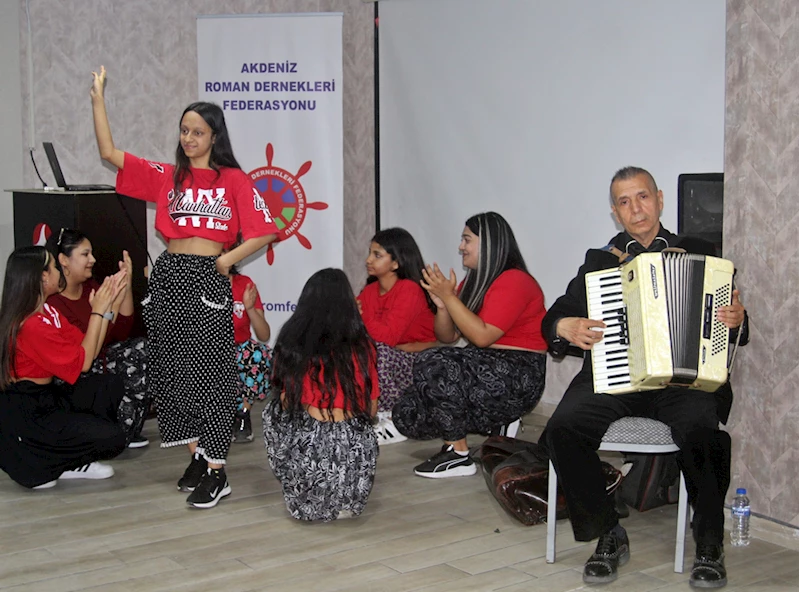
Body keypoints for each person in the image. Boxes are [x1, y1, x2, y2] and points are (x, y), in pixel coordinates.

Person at [538, 166, 748, 588]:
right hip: (617, 377)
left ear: (660, 200)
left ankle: (709, 544)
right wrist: (563, 326)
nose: (635, 209)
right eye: (624, 202)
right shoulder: (599, 261)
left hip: (680, 382)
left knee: (704, 433)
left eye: (643, 197)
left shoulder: (700, 251)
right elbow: (555, 316)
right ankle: (608, 533)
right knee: (562, 429)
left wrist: (737, 319)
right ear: (615, 212)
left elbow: (733, 326)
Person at [91, 65, 278, 509]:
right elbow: (109, 152)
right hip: (170, 274)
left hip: (208, 275)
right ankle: (197, 454)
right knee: (173, 372)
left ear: (214, 136)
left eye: (197, 132)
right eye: (184, 131)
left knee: (211, 374)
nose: (188, 138)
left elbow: (266, 230)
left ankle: (217, 470)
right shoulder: (168, 175)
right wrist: (98, 100)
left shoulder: (233, 179)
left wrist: (226, 261)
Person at [393, 211, 548, 478]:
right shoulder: (474, 280)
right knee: (406, 413)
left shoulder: (515, 280)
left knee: (433, 361)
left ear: (488, 243)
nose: (460, 247)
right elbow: (448, 336)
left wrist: (449, 297)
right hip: (482, 366)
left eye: (467, 240)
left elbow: (482, 337)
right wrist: (443, 306)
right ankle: (498, 425)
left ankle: (457, 454)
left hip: (518, 373)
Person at [0, 246, 128, 490]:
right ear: (43, 277)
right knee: (113, 438)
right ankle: (54, 462)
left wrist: (108, 307)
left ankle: (69, 460)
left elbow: (87, 348)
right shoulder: (30, 325)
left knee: (107, 386)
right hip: (27, 415)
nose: (59, 272)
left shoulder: (47, 310)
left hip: (47, 398)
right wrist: (98, 311)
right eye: (54, 267)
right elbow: (85, 363)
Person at [263, 268, 379, 522]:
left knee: (271, 412)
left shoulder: (293, 342)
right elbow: (371, 410)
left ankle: (305, 485)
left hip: (311, 452)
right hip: (354, 458)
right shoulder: (364, 345)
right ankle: (344, 495)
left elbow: (286, 402)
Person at [45, 228, 150, 449]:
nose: (92, 259)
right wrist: (104, 311)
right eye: (85, 254)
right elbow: (83, 349)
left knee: (143, 348)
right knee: (131, 356)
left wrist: (125, 286)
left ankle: (126, 427)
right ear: (64, 260)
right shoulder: (53, 303)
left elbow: (120, 331)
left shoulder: (90, 288)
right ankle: (114, 431)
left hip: (98, 358)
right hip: (74, 372)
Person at [356, 228, 437, 445]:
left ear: (396, 263)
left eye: (377, 255)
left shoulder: (409, 289)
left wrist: (360, 315)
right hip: (394, 356)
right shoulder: (370, 291)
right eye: (370, 253)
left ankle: (394, 419)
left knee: (378, 351)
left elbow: (386, 338)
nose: (368, 260)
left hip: (420, 364)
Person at [229, 260, 272, 443]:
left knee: (258, 354)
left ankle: (242, 414)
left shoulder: (244, 284)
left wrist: (250, 308)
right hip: (210, 350)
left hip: (239, 349)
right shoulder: (198, 284)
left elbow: (264, 335)